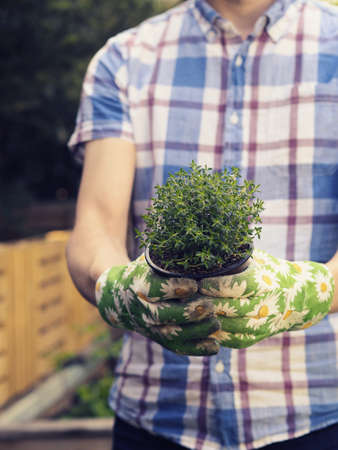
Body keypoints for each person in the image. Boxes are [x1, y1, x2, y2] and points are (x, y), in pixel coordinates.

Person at [67, 0, 338, 448]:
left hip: (316, 415)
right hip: (157, 417)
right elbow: (95, 224)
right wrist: (115, 286)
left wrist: (312, 291)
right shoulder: (124, 58)